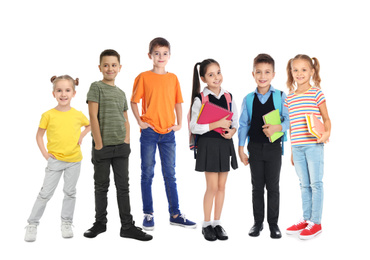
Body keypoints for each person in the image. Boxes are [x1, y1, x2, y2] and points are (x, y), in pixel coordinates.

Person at [84, 49, 152, 241]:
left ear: (119, 68)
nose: (110, 68)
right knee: (101, 186)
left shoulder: (121, 93)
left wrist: (127, 139)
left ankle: (127, 226)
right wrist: (98, 144)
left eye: (114, 65)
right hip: (102, 147)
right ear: (100, 68)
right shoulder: (95, 87)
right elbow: (93, 117)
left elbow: (125, 118)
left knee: (123, 187)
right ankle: (100, 223)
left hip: (121, 147)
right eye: (106, 65)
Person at [131, 37, 196, 231]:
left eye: (165, 53)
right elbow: (134, 101)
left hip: (168, 133)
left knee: (170, 174)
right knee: (147, 173)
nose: (161, 57)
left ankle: (175, 214)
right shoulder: (143, 77)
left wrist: (178, 124)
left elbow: (178, 102)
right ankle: (148, 214)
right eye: (157, 53)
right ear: (150, 55)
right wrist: (140, 122)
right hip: (149, 131)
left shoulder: (173, 78)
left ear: (169, 55)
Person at [25, 75, 91, 242]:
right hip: (55, 161)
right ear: (53, 93)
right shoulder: (48, 115)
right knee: (45, 193)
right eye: (59, 90)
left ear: (74, 93)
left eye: (67, 90)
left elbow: (89, 125)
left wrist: (82, 135)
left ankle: (66, 223)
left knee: (70, 192)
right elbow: (39, 136)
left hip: (74, 160)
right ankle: (32, 224)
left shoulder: (78, 115)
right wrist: (45, 154)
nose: (63, 94)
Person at [238, 54, 289, 239]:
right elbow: (244, 124)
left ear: (273, 74)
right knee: (257, 187)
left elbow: (287, 120)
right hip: (255, 148)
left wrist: (278, 127)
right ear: (253, 74)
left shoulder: (281, 96)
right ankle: (257, 223)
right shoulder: (248, 99)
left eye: (267, 72)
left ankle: (273, 224)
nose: (263, 75)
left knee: (273, 187)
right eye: (258, 72)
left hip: (274, 148)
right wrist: (240, 149)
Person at [189, 59, 238, 241]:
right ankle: (206, 224)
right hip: (208, 145)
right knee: (211, 187)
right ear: (203, 78)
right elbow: (194, 126)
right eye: (211, 74)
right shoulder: (200, 99)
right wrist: (216, 124)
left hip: (224, 144)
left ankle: (217, 223)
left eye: (218, 72)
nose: (216, 77)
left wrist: (232, 131)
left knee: (222, 186)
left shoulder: (229, 97)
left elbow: (235, 122)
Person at [284, 54, 331, 240]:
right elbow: (291, 126)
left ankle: (316, 222)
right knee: (304, 184)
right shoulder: (289, 98)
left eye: (303, 70)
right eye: (295, 70)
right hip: (297, 147)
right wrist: (292, 152)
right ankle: (306, 219)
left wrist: (327, 133)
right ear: (291, 72)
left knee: (315, 183)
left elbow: (326, 119)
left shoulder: (317, 93)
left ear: (311, 71)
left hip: (313, 145)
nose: (299, 73)